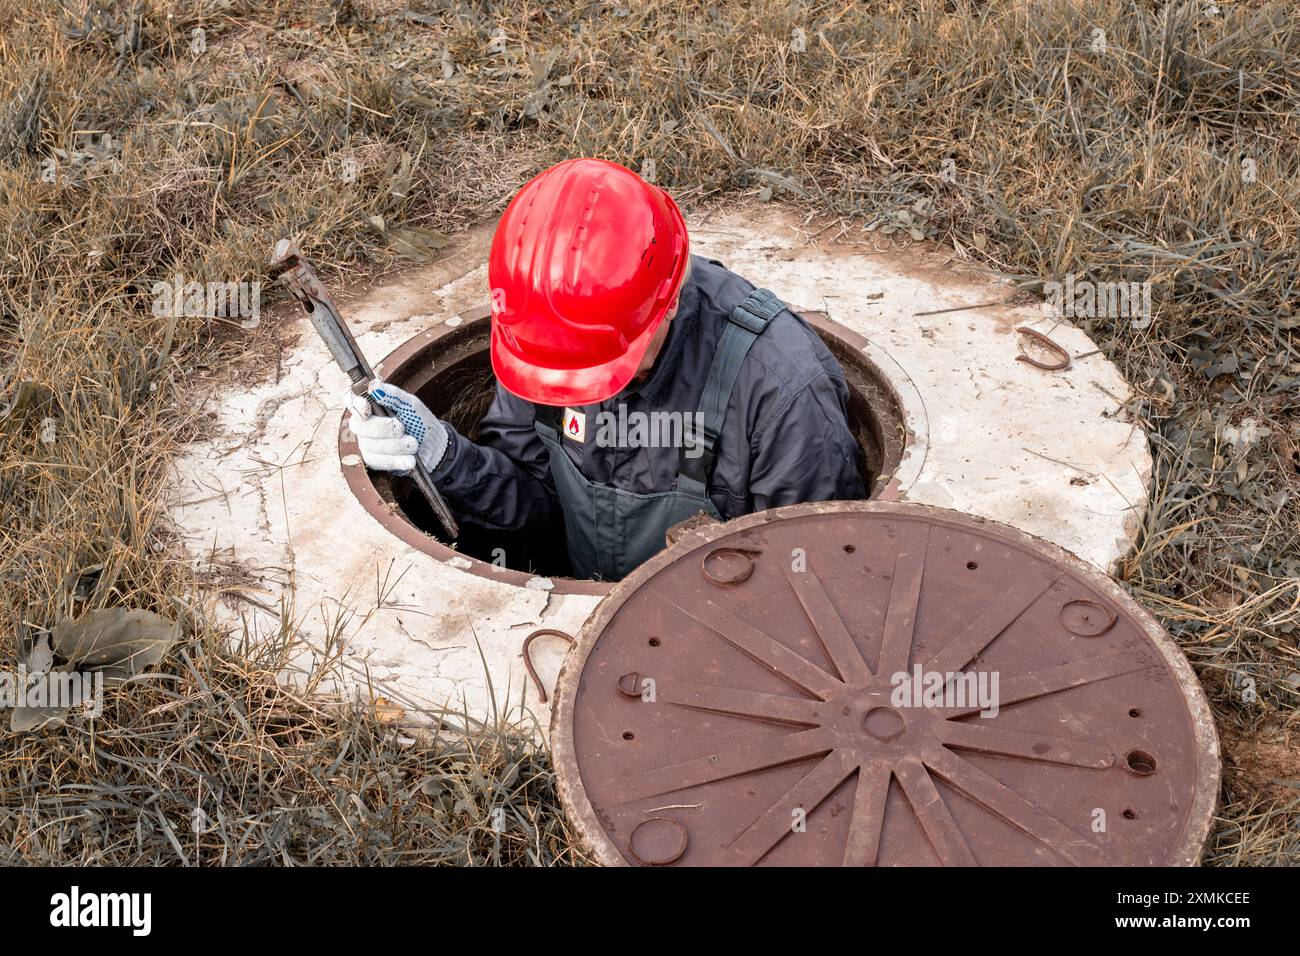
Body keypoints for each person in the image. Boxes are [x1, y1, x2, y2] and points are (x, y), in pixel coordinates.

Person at [347, 158, 865, 580]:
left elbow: (814, 580)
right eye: (563, 374)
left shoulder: (781, 389)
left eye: (598, 367)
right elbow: (536, 505)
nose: (578, 387)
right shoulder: (545, 342)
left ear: (667, 303)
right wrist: (442, 455)